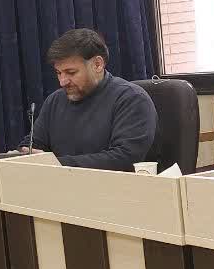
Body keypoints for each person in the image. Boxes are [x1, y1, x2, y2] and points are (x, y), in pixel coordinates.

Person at [26, 28, 157, 171]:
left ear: (97, 64)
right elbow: (33, 144)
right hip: (59, 183)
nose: (63, 82)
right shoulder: (54, 101)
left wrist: (53, 163)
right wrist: (23, 155)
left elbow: (124, 159)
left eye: (71, 72)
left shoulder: (132, 99)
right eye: (58, 73)